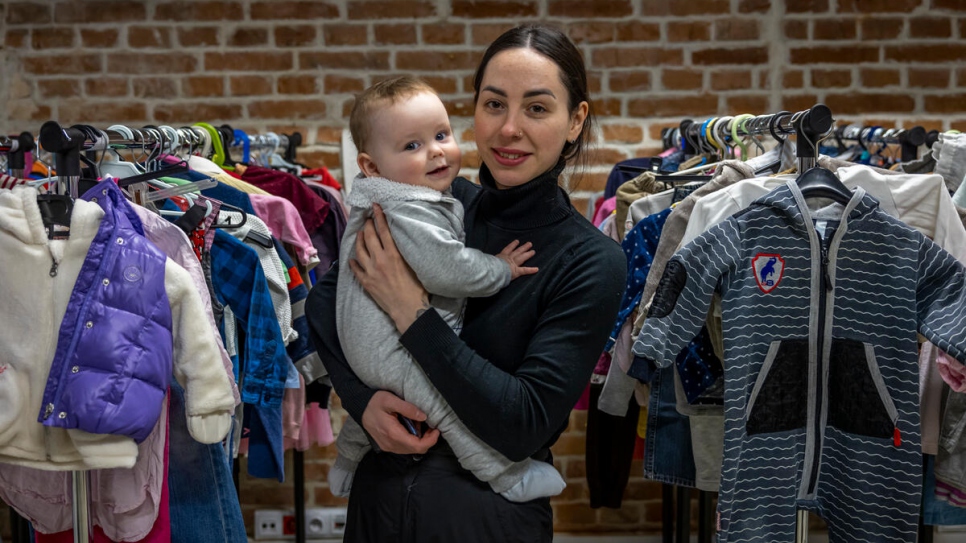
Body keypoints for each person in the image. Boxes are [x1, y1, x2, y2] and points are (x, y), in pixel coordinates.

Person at [306, 24, 626, 542]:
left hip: (486, 519)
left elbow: (523, 422)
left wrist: (412, 313)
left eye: (537, 108)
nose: (509, 129)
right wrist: (361, 400)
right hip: (377, 507)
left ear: (575, 121)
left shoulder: (590, 260)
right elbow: (326, 304)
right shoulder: (430, 204)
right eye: (494, 104)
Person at [330, 74, 567, 503]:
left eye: (441, 135)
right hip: (390, 349)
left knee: (388, 407)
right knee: (442, 405)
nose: (436, 151)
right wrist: (501, 268)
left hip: (367, 347)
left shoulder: (385, 199)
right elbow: (448, 270)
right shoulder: (409, 208)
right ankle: (504, 476)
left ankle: (346, 463)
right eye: (412, 146)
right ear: (370, 166)